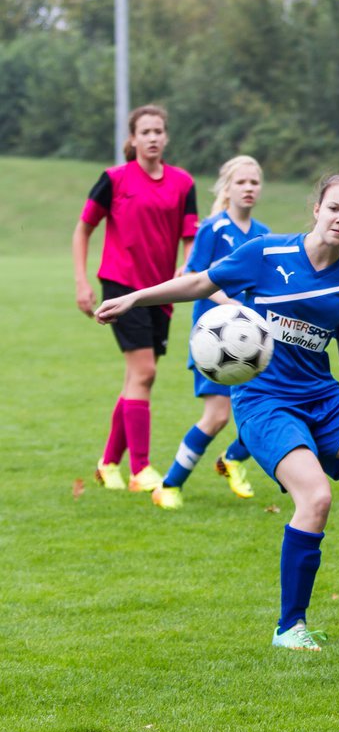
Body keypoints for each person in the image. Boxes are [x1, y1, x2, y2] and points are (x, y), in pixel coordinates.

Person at [95, 173, 339, 651]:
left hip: (322, 397)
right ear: (317, 207)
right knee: (316, 498)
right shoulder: (266, 253)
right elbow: (202, 281)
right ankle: (290, 627)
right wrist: (138, 296)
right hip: (264, 403)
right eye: (335, 208)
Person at [73, 104, 199, 493]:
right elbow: (82, 229)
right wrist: (82, 282)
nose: (153, 137)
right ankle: (140, 470)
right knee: (145, 373)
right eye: (145, 131)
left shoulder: (183, 183)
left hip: (160, 293)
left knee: (135, 379)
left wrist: (186, 265)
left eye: (158, 131)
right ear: (133, 138)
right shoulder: (113, 179)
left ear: (166, 136)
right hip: (121, 287)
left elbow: (190, 237)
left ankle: (108, 463)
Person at [152, 156, 271, 510]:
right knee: (217, 417)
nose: (249, 188)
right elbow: (196, 276)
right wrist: (232, 306)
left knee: (270, 407)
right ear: (227, 188)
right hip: (215, 340)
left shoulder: (264, 234)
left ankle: (232, 460)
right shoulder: (213, 229)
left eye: (254, 182)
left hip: (253, 339)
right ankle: (169, 486)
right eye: (242, 182)